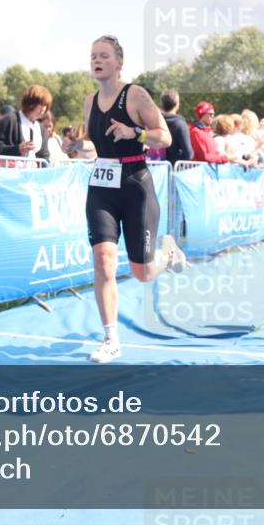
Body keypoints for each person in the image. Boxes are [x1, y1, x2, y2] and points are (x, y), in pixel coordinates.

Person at [83, 35, 186, 363]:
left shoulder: (136, 95)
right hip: (101, 186)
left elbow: (165, 136)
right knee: (103, 260)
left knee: (141, 271)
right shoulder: (89, 102)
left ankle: (167, 256)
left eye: (104, 55)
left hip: (135, 184)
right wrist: (78, 148)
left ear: (119, 63)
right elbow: (93, 142)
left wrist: (135, 133)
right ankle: (111, 338)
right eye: (93, 55)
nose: (97, 60)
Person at [0, 85, 53, 161]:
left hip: (33, 172)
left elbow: (44, 156)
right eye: (40, 104)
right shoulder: (9, 121)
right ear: (30, 102)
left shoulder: (41, 129)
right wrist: (17, 149)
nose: (43, 109)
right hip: (10, 171)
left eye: (45, 105)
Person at [147, 89, 193, 165]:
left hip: (159, 167)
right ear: (177, 103)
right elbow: (189, 154)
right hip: (177, 170)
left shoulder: (156, 122)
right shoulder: (180, 124)